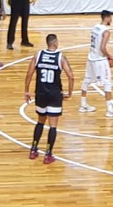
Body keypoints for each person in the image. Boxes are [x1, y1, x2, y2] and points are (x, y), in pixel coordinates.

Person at [24, 33, 75, 164]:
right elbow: (71, 76)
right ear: (55, 42)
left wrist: (26, 91)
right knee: (53, 126)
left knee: (40, 122)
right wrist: (69, 93)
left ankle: (33, 149)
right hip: (54, 94)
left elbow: (29, 73)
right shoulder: (60, 57)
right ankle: (48, 154)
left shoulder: (38, 55)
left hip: (41, 93)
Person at [78, 10, 113, 117]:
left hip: (91, 57)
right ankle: (109, 110)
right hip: (99, 60)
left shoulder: (95, 27)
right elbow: (102, 48)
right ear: (106, 18)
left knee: (86, 80)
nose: (111, 19)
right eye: (110, 17)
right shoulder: (106, 31)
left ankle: (83, 105)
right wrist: (110, 56)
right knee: (107, 83)